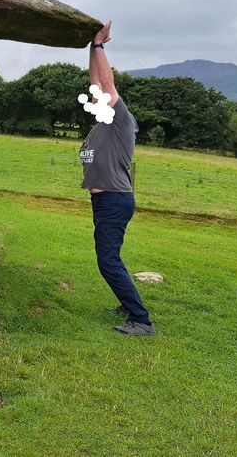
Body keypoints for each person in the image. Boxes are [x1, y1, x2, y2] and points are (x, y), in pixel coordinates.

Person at [79, 20, 156, 335]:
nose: (97, 95)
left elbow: (106, 82)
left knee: (107, 261)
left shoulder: (119, 122)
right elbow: (96, 82)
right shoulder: (100, 126)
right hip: (104, 201)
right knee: (111, 257)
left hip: (114, 199)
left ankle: (142, 321)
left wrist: (99, 46)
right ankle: (128, 305)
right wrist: (91, 47)